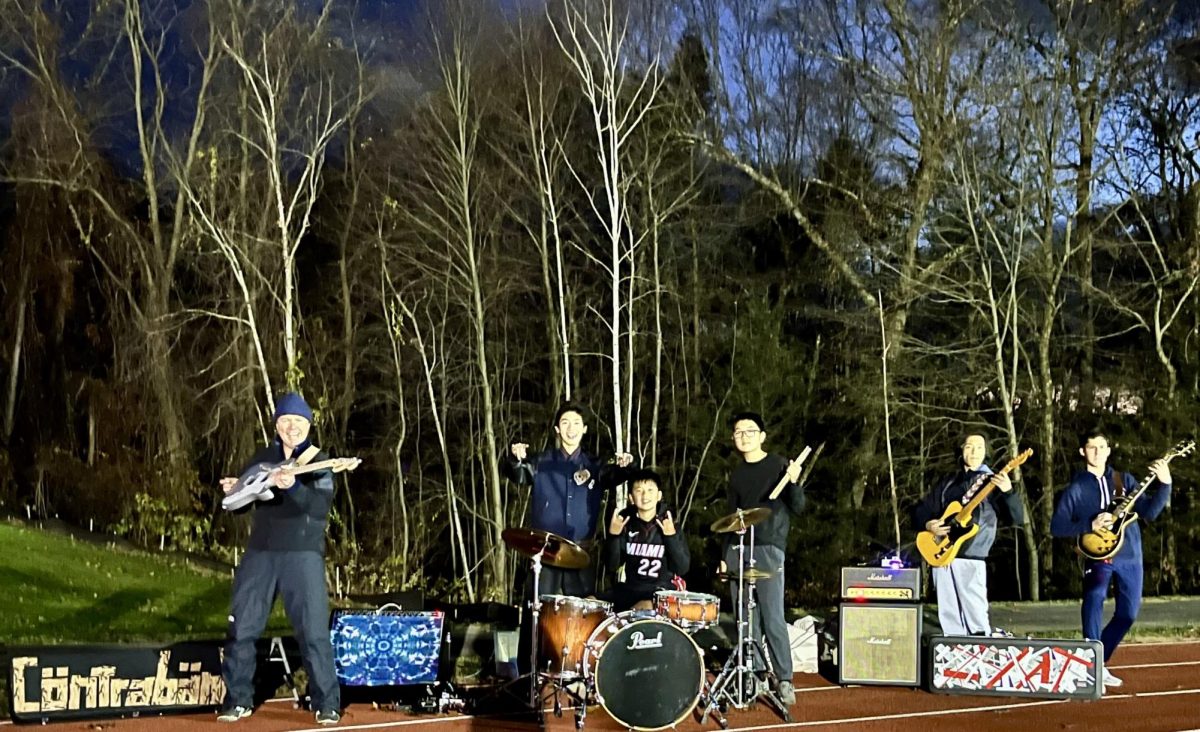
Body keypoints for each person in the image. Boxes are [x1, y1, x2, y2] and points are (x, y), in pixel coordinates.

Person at [217, 393, 341, 725]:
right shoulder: (262, 458)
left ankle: (326, 702)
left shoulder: (320, 461)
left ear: (308, 426)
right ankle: (237, 700)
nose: (291, 427)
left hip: (303, 556)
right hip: (261, 554)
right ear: (276, 425)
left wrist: (294, 487)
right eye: (285, 421)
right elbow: (244, 500)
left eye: (298, 422)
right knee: (241, 627)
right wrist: (236, 488)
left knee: (313, 632)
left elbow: (317, 508)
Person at [505, 402, 633, 671]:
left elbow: (616, 476)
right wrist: (516, 458)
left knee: (586, 612)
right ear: (556, 429)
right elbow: (519, 474)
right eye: (565, 423)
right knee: (535, 611)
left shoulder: (595, 465)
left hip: (580, 553)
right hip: (545, 552)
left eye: (576, 423)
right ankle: (527, 675)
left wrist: (624, 465)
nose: (571, 428)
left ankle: (584, 671)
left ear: (584, 429)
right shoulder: (541, 462)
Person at [1050, 429, 1172, 688]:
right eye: (1091, 447)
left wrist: (1165, 483)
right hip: (1099, 554)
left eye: (1102, 447)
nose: (1097, 452)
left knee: (1128, 614)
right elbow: (1057, 526)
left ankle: (1096, 662)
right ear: (1083, 451)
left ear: (1108, 450)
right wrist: (1088, 524)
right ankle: (1091, 665)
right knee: (1094, 597)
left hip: (1130, 556)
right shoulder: (1076, 488)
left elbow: (1149, 512)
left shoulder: (1123, 480)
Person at [720, 411, 806, 706]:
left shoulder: (779, 465)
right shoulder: (737, 474)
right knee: (746, 619)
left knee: (772, 616)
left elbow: (798, 506)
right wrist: (724, 555)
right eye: (738, 432)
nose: (743, 437)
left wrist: (793, 482)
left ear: (762, 436)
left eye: (749, 431)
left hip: (769, 547)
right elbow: (730, 518)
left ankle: (784, 678)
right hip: (739, 550)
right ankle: (755, 675)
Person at [914, 432, 1024, 638]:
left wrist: (1009, 492)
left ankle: (980, 652)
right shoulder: (948, 482)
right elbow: (922, 509)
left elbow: (1016, 518)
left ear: (986, 452)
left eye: (979, 447)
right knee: (948, 614)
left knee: (975, 615)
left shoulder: (993, 481)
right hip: (942, 555)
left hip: (972, 556)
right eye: (969, 447)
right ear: (961, 450)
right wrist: (929, 524)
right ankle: (954, 654)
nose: (974, 452)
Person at [605, 468, 689, 611]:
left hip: (661, 591)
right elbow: (612, 566)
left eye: (650, 490)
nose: (645, 495)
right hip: (631, 589)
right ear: (631, 497)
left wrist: (671, 537)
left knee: (643, 606)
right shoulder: (625, 524)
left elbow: (682, 568)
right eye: (639, 490)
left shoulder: (670, 524)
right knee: (591, 603)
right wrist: (614, 536)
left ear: (659, 495)